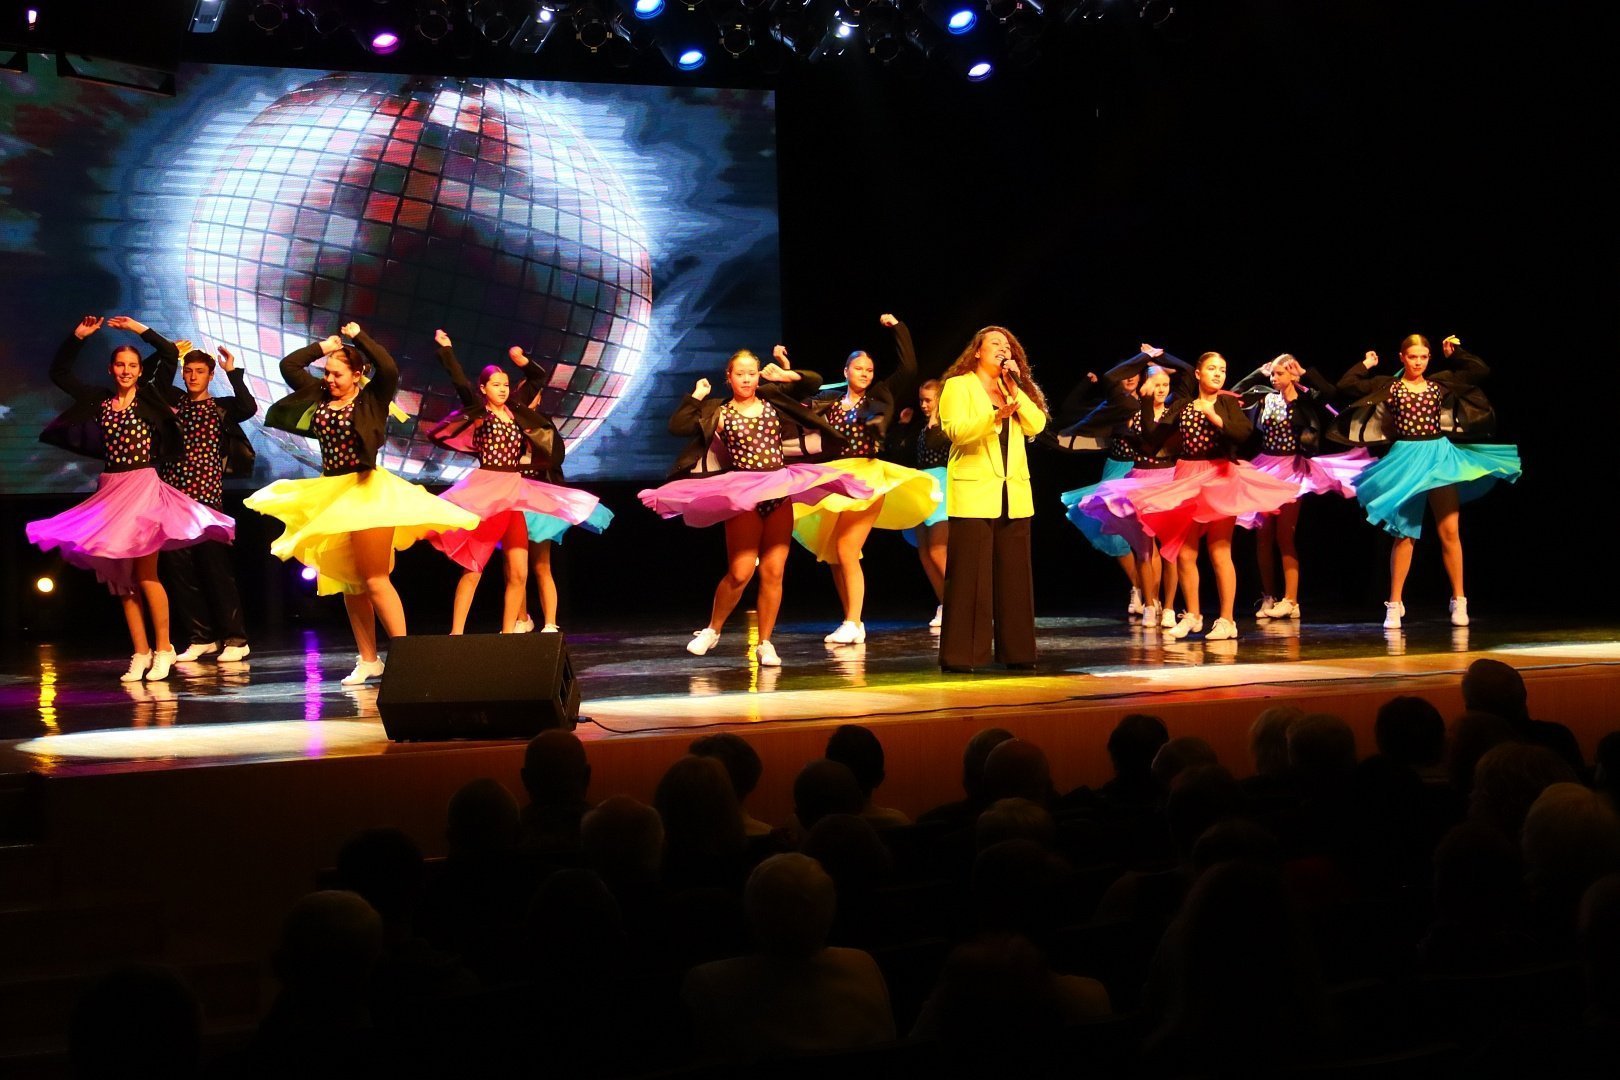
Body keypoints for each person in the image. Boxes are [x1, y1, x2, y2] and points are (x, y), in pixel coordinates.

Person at [244, 322, 478, 684]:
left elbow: (388, 367)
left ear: (357, 375)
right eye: (327, 373)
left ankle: (407, 658)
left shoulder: (372, 398)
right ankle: (369, 659)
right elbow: (289, 366)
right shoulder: (320, 394)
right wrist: (324, 348)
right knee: (350, 583)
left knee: (374, 579)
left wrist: (358, 337)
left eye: (337, 374)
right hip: (334, 491)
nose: (329, 379)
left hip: (367, 491)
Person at [27, 316, 234, 682]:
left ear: (140, 371)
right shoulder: (100, 400)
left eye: (132, 365)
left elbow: (168, 353)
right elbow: (60, 373)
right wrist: (78, 337)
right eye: (120, 365)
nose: (126, 371)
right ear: (111, 370)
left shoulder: (150, 396)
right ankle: (140, 652)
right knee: (121, 580)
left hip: (143, 487)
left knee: (146, 573)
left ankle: (164, 648)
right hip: (111, 489)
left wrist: (137, 328)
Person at [638, 349, 870, 667]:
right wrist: (696, 396)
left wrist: (786, 375)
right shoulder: (720, 412)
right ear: (729, 377)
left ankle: (765, 643)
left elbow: (813, 382)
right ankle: (713, 629)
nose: (747, 379)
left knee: (774, 572)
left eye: (752, 373)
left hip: (778, 489)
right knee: (740, 572)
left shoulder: (773, 401)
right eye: (740, 374)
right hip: (744, 494)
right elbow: (678, 426)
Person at [1083, 351, 1298, 642]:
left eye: (1222, 369)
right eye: (1212, 368)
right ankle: (1193, 615)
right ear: (1198, 374)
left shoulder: (1226, 402)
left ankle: (1227, 620)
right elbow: (1152, 440)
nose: (1218, 374)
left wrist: (1214, 416)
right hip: (1186, 477)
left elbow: (1242, 433)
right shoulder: (1183, 405)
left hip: (1219, 478)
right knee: (1185, 553)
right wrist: (1146, 401)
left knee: (1219, 550)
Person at [424, 330, 607, 634]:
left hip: (515, 491)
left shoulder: (516, 409)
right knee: (473, 568)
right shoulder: (480, 412)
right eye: (496, 385)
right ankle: (456, 634)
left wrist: (520, 359)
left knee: (519, 573)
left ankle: (508, 633)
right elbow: (459, 382)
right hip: (488, 490)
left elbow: (537, 377)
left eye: (506, 385)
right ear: (483, 388)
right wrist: (447, 350)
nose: (502, 389)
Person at [1335, 334, 1520, 629]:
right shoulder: (1390, 385)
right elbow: (1346, 385)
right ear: (1402, 358)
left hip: (1438, 457)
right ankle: (1394, 603)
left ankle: (1459, 599)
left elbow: (1480, 371)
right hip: (1406, 459)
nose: (1418, 362)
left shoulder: (1439, 383)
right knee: (1404, 534)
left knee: (1450, 531)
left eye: (1423, 357)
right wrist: (1366, 364)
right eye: (1412, 357)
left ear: (1429, 358)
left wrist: (1456, 353)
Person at [788, 314, 940, 644]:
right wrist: (786, 370)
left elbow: (909, 369)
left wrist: (899, 328)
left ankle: (854, 621)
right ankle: (852, 623)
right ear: (846, 371)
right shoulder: (828, 400)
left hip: (868, 477)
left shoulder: (879, 395)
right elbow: (794, 402)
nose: (865, 374)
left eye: (869, 370)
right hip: (835, 478)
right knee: (834, 554)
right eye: (859, 368)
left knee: (847, 547)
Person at [936, 326, 1049, 672]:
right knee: (970, 576)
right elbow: (955, 431)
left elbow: (1037, 425)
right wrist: (993, 416)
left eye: (1008, 345)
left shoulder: (1010, 385)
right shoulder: (958, 386)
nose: (1003, 349)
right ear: (977, 352)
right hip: (974, 490)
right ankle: (964, 656)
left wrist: (1016, 389)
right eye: (995, 343)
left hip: (1013, 491)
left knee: (1015, 577)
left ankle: (1018, 653)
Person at [1232, 354, 1372, 621]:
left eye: (1280, 374)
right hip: (1265, 467)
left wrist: (1305, 373)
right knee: (1263, 537)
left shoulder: (1305, 398)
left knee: (1285, 535)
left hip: (1291, 469)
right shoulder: (1265, 397)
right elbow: (1234, 395)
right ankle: (1268, 596)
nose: (1274, 379)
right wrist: (1258, 372)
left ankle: (1291, 600)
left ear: (1292, 375)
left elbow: (1331, 395)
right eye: (1273, 374)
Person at [1057, 344, 1188, 624]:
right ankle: (1146, 598)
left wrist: (1161, 359)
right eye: (1156, 383)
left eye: (1165, 384)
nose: (1161, 388)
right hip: (1134, 476)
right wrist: (1145, 358)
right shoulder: (1127, 406)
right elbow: (1110, 380)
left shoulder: (1173, 409)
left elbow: (1188, 378)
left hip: (1164, 478)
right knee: (1140, 545)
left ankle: (1163, 604)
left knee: (1166, 547)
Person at [503, 345, 615, 634]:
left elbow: (554, 458)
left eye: (533, 394)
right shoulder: (506, 423)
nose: (528, 398)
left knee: (541, 564)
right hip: (513, 497)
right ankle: (521, 618)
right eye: (522, 393)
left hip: (540, 497)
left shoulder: (544, 426)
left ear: (538, 399)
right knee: (514, 567)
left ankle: (550, 622)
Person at [158, 342, 257, 663]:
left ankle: (236, 639)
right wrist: (168, 354)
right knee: (180, 571)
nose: (192, 377)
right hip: (173, 497)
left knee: (215, 570)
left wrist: (232, 372)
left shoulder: (220, 407)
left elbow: (248, 406)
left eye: (199, 371)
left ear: (210, 375)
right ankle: (201, 637)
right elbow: (154, 385)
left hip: (206, 500)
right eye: (188, 371)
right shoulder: (175, 402)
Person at [902, 378, 951, 629]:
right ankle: (945, 604)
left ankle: (962, 603)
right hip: (922, 487)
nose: (923, 405)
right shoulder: (922, 427)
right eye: (921, 399)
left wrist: (936, 416)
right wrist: (904, 425)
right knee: (924, 553)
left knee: (937, 550)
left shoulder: (946, 426)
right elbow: (902, 451)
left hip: (942, 486)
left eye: (928, 400)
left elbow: (934, 444)